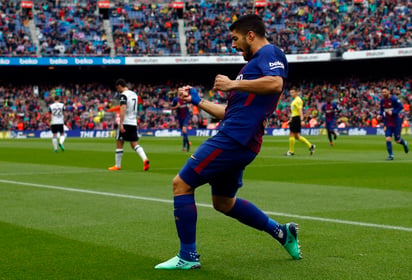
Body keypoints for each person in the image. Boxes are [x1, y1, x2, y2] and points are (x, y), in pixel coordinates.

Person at [155, 14, 301, 270]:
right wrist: (198, 101)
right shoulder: (252, 68)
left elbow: (276, 83)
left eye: (235, 39)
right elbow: (228, 112)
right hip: (240, 137)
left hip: (234, 138)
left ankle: (187, 256)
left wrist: (232, 84)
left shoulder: (269, 53)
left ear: (251, 35)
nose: (233, 45)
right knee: (223, 202)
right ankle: (282, 232)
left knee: (181, 184)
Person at [108, 79, 150, 171]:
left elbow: (123, 108)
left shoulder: (124, 95)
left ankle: (117, 165)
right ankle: (145, 159)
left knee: (119, 142)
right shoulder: (134, 94)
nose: (117, 90)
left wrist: (121, 123)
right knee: (134, 144)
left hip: (126, 122)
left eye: (117, 88)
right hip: (133, 122)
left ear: (119, 86)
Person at [379, 87, 409, 160]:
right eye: (382, 92)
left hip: (396, 122)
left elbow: (401, 107)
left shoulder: (394, 99)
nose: (384, 94)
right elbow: (381, 109)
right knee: (388, 139)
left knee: (397, 140)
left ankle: (404, 143)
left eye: (385, 92)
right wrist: (380, 115)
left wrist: (393, 112)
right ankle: (391, 155)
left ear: (389, 92)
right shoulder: (382, 101)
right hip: (387, 122)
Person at [285, 88, 316, 156]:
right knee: (297, 136)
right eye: (290, 93)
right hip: (295, 118)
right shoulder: (295, 100)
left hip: (296, 118)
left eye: (293, 92)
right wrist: (290, 120)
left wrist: (302, 120)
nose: (291, 94)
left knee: (291, 134)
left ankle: (291, 152)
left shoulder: (298, 100)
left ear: (296, 92)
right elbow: (294, 111)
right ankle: (310, 146)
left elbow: (300, 111)